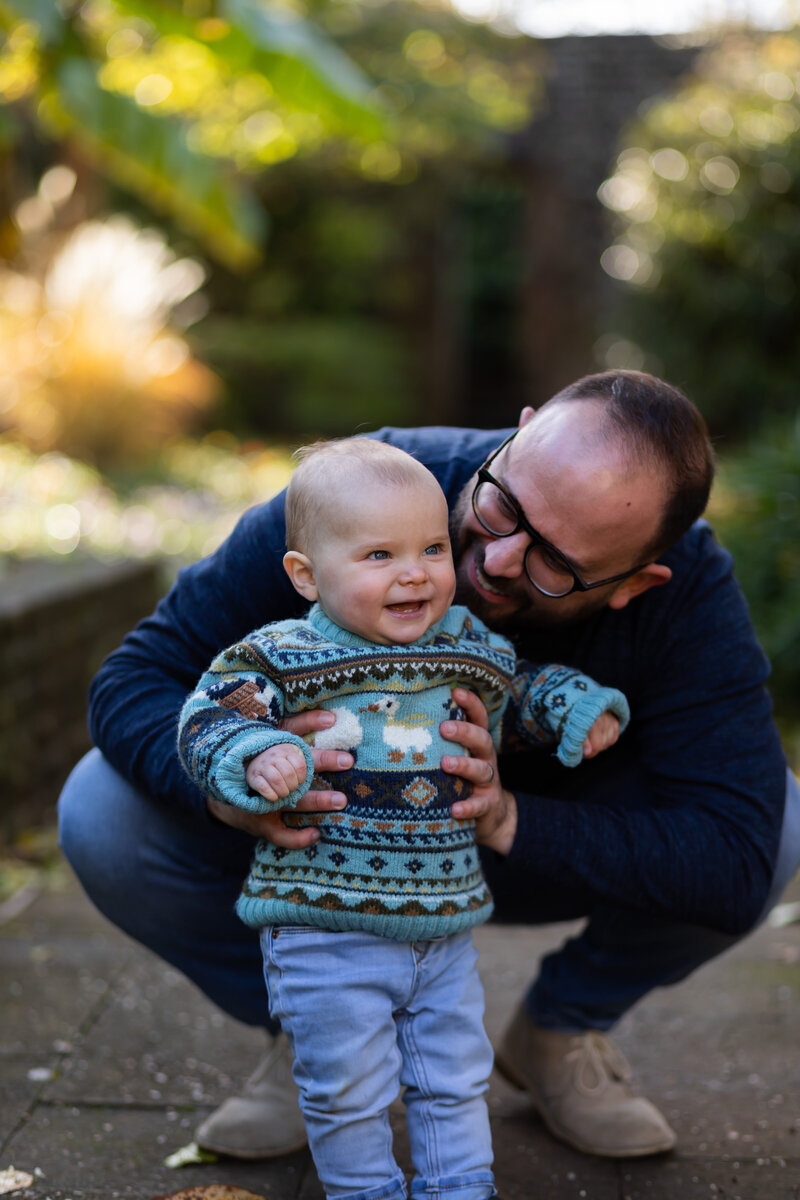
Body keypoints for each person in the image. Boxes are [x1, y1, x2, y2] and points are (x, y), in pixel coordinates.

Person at [58, 369, 800, 1166]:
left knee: (780, 823)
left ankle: (561, 1028)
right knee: (101, 809)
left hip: (536, 849)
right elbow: (134, 680)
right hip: (327, 842)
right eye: (503, 505)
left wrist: (509, 816)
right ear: (517, 432)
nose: (497, 558)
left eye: (555, 562)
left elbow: (735, 861)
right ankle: (318, 1032)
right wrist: (229, 792)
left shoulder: (685, 595)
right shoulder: (359, 493)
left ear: (636, 583)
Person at [175, 437, 629, 1200]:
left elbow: (516, 691)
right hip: (325, 926)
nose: (415, 572)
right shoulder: (281, 656)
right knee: (347, 1093)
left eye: (430, 548)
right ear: (306, 576)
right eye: (379, 555)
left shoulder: (464, 647)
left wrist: (574, 706)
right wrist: (252, 756)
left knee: (453, 1079)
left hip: (444, 926)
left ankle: (461, 1188)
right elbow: (207, 715)